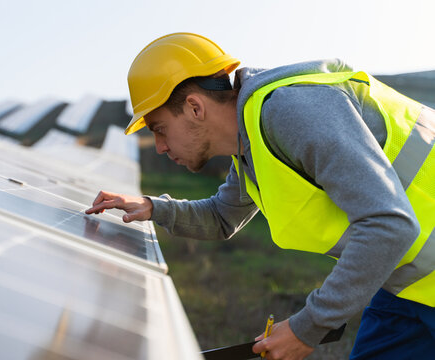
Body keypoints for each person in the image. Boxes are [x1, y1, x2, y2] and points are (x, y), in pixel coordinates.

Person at [85, 32, 435, 359]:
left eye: (160, 129)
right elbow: (223, 216)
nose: (159, 147)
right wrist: (152, 208)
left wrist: (306, 327)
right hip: (408, 287)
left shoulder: (292, 112)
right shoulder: (250, 143)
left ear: (194, 107)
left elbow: (389, 224)